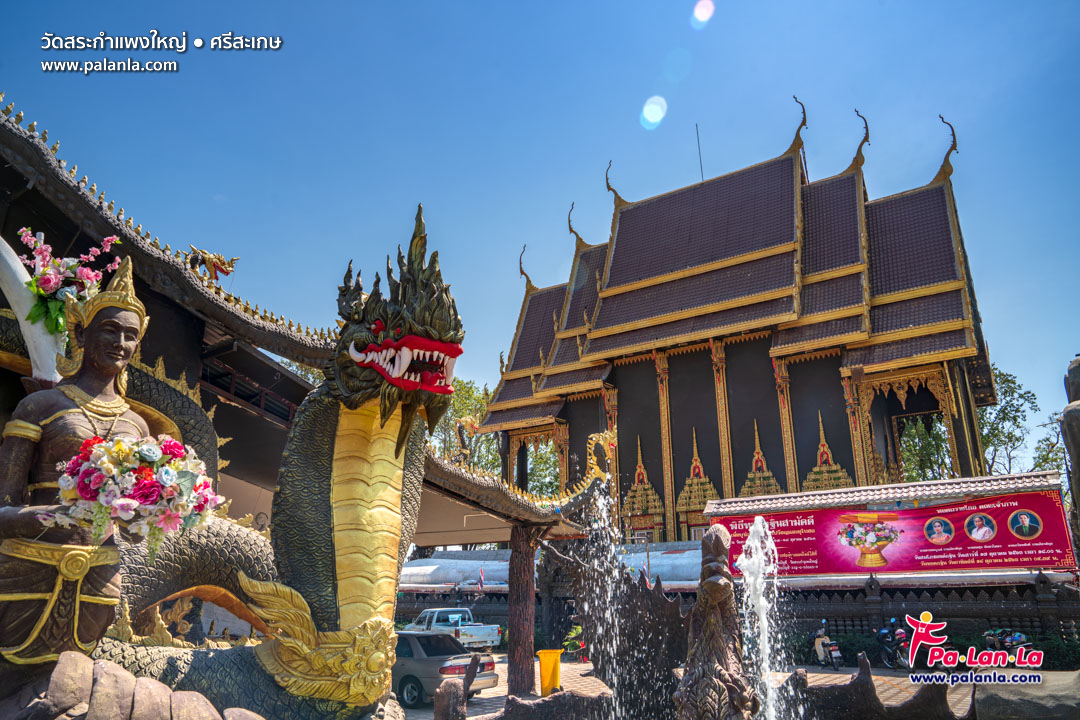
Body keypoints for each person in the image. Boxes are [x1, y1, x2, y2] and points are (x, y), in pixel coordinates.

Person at [0, 258, 149, 664]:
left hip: (99, 575)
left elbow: (136, 532)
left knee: (73, 686)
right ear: (82, 332)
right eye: (110, 330)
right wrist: (50, 517)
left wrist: (154, 512)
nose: (120, 343)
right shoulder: (40, 406)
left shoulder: (138, 427)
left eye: (131, 336)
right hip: (25, 568)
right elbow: (2, 508)